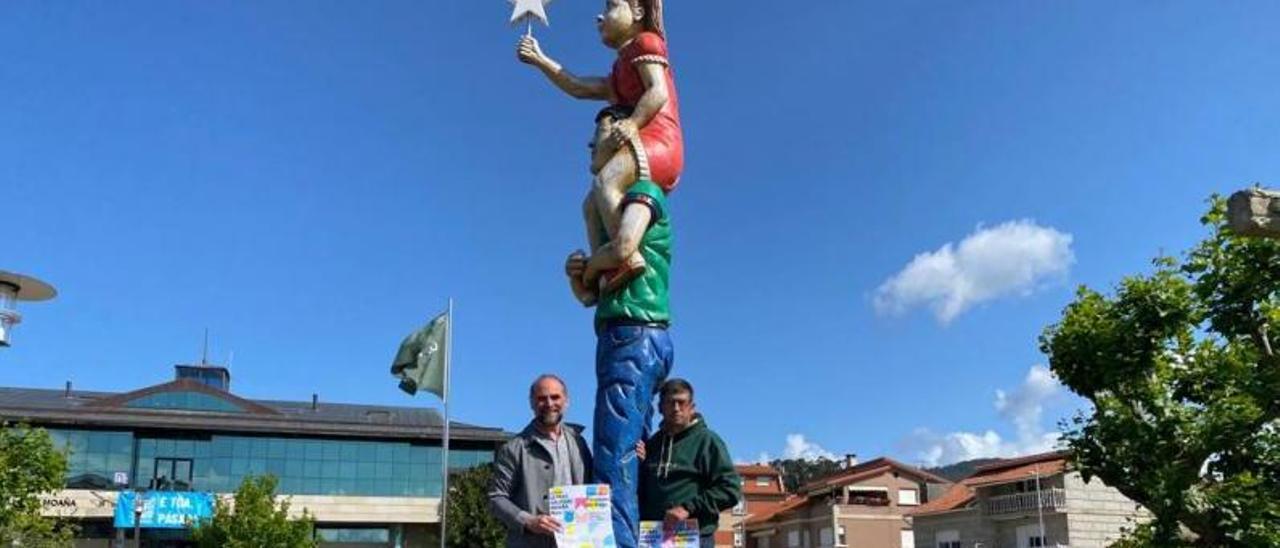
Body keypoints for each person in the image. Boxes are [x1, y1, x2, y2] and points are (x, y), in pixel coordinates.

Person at [519, 0, 682, 293]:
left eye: (610, 7)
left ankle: (623, 256)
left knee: (606, 181)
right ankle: (605, 270)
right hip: (638, 142)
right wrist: (540, 59)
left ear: (637, 12)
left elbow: (657, 92)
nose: (600, 15)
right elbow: (579, 87)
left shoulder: (646, 42)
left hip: (660, 141)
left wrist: (633, 123)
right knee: (591, 204)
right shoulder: (619, 72)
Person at [489, 375, 593, 548]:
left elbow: (595, 485)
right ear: (532, 403)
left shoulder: (579, 442)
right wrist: (528, 521)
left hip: (577, 542)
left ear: (566, 401)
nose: (549, 404)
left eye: (555, 397)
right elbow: (496, 498)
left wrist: (636, 455)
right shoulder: (514, 448)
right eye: (542, 398)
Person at [639, 379, 741, 548]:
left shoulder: (707, 441)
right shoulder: (653, 444)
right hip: (653, 538)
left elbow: (730, 489)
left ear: (692, 407)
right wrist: (640, 465)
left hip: (694, 538)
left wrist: (687, 508)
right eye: (671, 403)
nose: (676, 408)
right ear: (660, 408)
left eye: (682, 402)